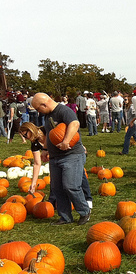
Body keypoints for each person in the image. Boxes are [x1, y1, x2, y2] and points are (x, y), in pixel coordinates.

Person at [30, 92, 92, 225]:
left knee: (71, 186)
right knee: (57, 188)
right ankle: (65, 217)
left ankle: (84, 211)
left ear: (44, 104)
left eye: (38, 108)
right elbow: (49, 134)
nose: (38, 111)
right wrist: (45, 150)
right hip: (55, 157)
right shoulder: (47, 115)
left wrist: (66, 141)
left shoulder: (64, 111)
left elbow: (74, 124)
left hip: (71, 155)